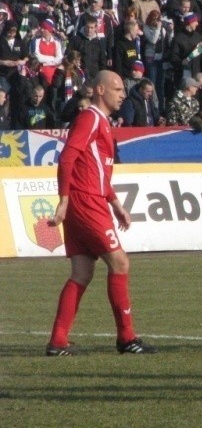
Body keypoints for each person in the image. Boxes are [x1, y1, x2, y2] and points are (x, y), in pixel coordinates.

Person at [45, 70, 156, 356]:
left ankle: (58, 342)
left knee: (82, 272)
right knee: (120, 263)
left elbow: (97, 171)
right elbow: (67, 156)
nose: (123, 94)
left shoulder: (101, 122)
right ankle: (127, 338)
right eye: (118, 89)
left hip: (90, 200)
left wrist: (116, 204)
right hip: (85, 203)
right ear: (100, 91)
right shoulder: (90, 118)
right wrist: (64, 200)